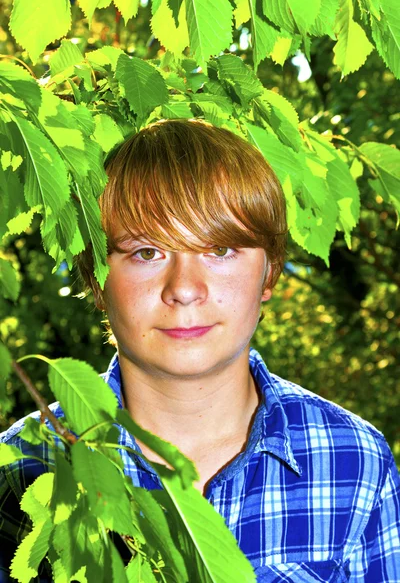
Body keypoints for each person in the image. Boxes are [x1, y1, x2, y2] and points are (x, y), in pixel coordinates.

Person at [1, 119, 399, 582]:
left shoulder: (354, 463)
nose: (185, 290)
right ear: (96, 278)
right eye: (147, 253)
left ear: (269, 272)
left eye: (221, 249)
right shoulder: (21, 470)